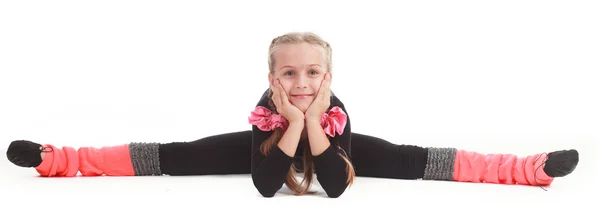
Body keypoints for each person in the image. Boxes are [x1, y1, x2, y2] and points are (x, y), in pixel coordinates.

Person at [6, 32, 579, 198]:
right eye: (289, 74)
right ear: (272, 78)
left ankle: (530, 169)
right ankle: (59, 160)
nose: (301, 83)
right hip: (267, 145)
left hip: (332, 146)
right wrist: (288, 125)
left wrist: (311, 125)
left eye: (312, 74)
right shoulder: (263, 110)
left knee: (414, 160)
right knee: (174, 156)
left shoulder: (336, 110)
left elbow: (333, 189)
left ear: (327, 79)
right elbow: (263, 186)